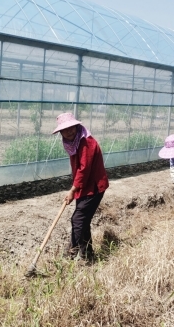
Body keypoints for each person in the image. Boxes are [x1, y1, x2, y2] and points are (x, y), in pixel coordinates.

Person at [53, 112, 109, 263]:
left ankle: (74, 251)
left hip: (94, 187)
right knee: (82, 220)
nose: (69, 132)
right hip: (85, 187)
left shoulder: (86, 142)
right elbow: (79, 169)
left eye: (71, 128)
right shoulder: (73, 142)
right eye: (65, 130)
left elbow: (84, 169)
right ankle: (87, 255)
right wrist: (76, 188)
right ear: (61, 132)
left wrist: (73, 190)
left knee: (78, 219)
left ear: (77, 127)